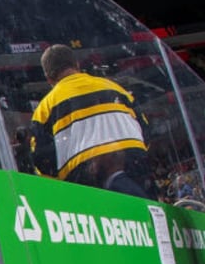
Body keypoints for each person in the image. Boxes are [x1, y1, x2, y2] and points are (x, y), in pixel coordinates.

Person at [29, 44, 152, 199]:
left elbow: (42, 162)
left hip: (86, 187)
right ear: (77, 65)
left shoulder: (44, 110)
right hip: (134, 169)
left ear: (49, 78)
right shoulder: (116, 88)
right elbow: (146, 130)